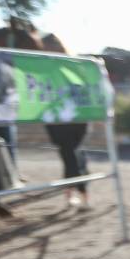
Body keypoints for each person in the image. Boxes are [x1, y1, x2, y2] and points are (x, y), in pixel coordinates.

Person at [41, 34, 91, 210]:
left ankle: (77, 196)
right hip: (57, 119)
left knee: (71, 156)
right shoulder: (44, 67)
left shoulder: (72, 65)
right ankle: (79, 196)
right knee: (69, 156)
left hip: (74, 117)